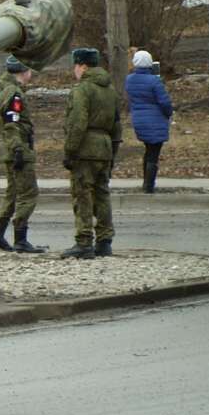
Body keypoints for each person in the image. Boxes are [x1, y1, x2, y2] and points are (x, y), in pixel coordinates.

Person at [61, 45, 120, 258]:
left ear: (83, 67)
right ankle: (105, 240)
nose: (74, 71)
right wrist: (113, 151)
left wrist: (70, 151)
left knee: (83, 195)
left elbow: (77, 123)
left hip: (85, 148)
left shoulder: (82, 90)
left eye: (76, 66)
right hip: (104, 148)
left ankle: (84, 241)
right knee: (102, 194)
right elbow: (116, 125)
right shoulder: (110, 90)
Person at [0, 54, 45, 252]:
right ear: (24, 71)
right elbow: (11, 123)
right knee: (29, 193)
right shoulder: (14, 92)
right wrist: (19, 149)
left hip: (11, 149)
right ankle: (20, 238)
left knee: (12, 194)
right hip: (18, 149)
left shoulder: (7, 89)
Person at [124, 48, 173, 193]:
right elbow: (164, 102)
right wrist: (169, 114)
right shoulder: (154, 81)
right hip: (155, 121)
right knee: (154, 153)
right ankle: (149, 185)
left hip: (139, 120)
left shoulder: (129, 80)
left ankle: (146, 181)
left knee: (148, 150)